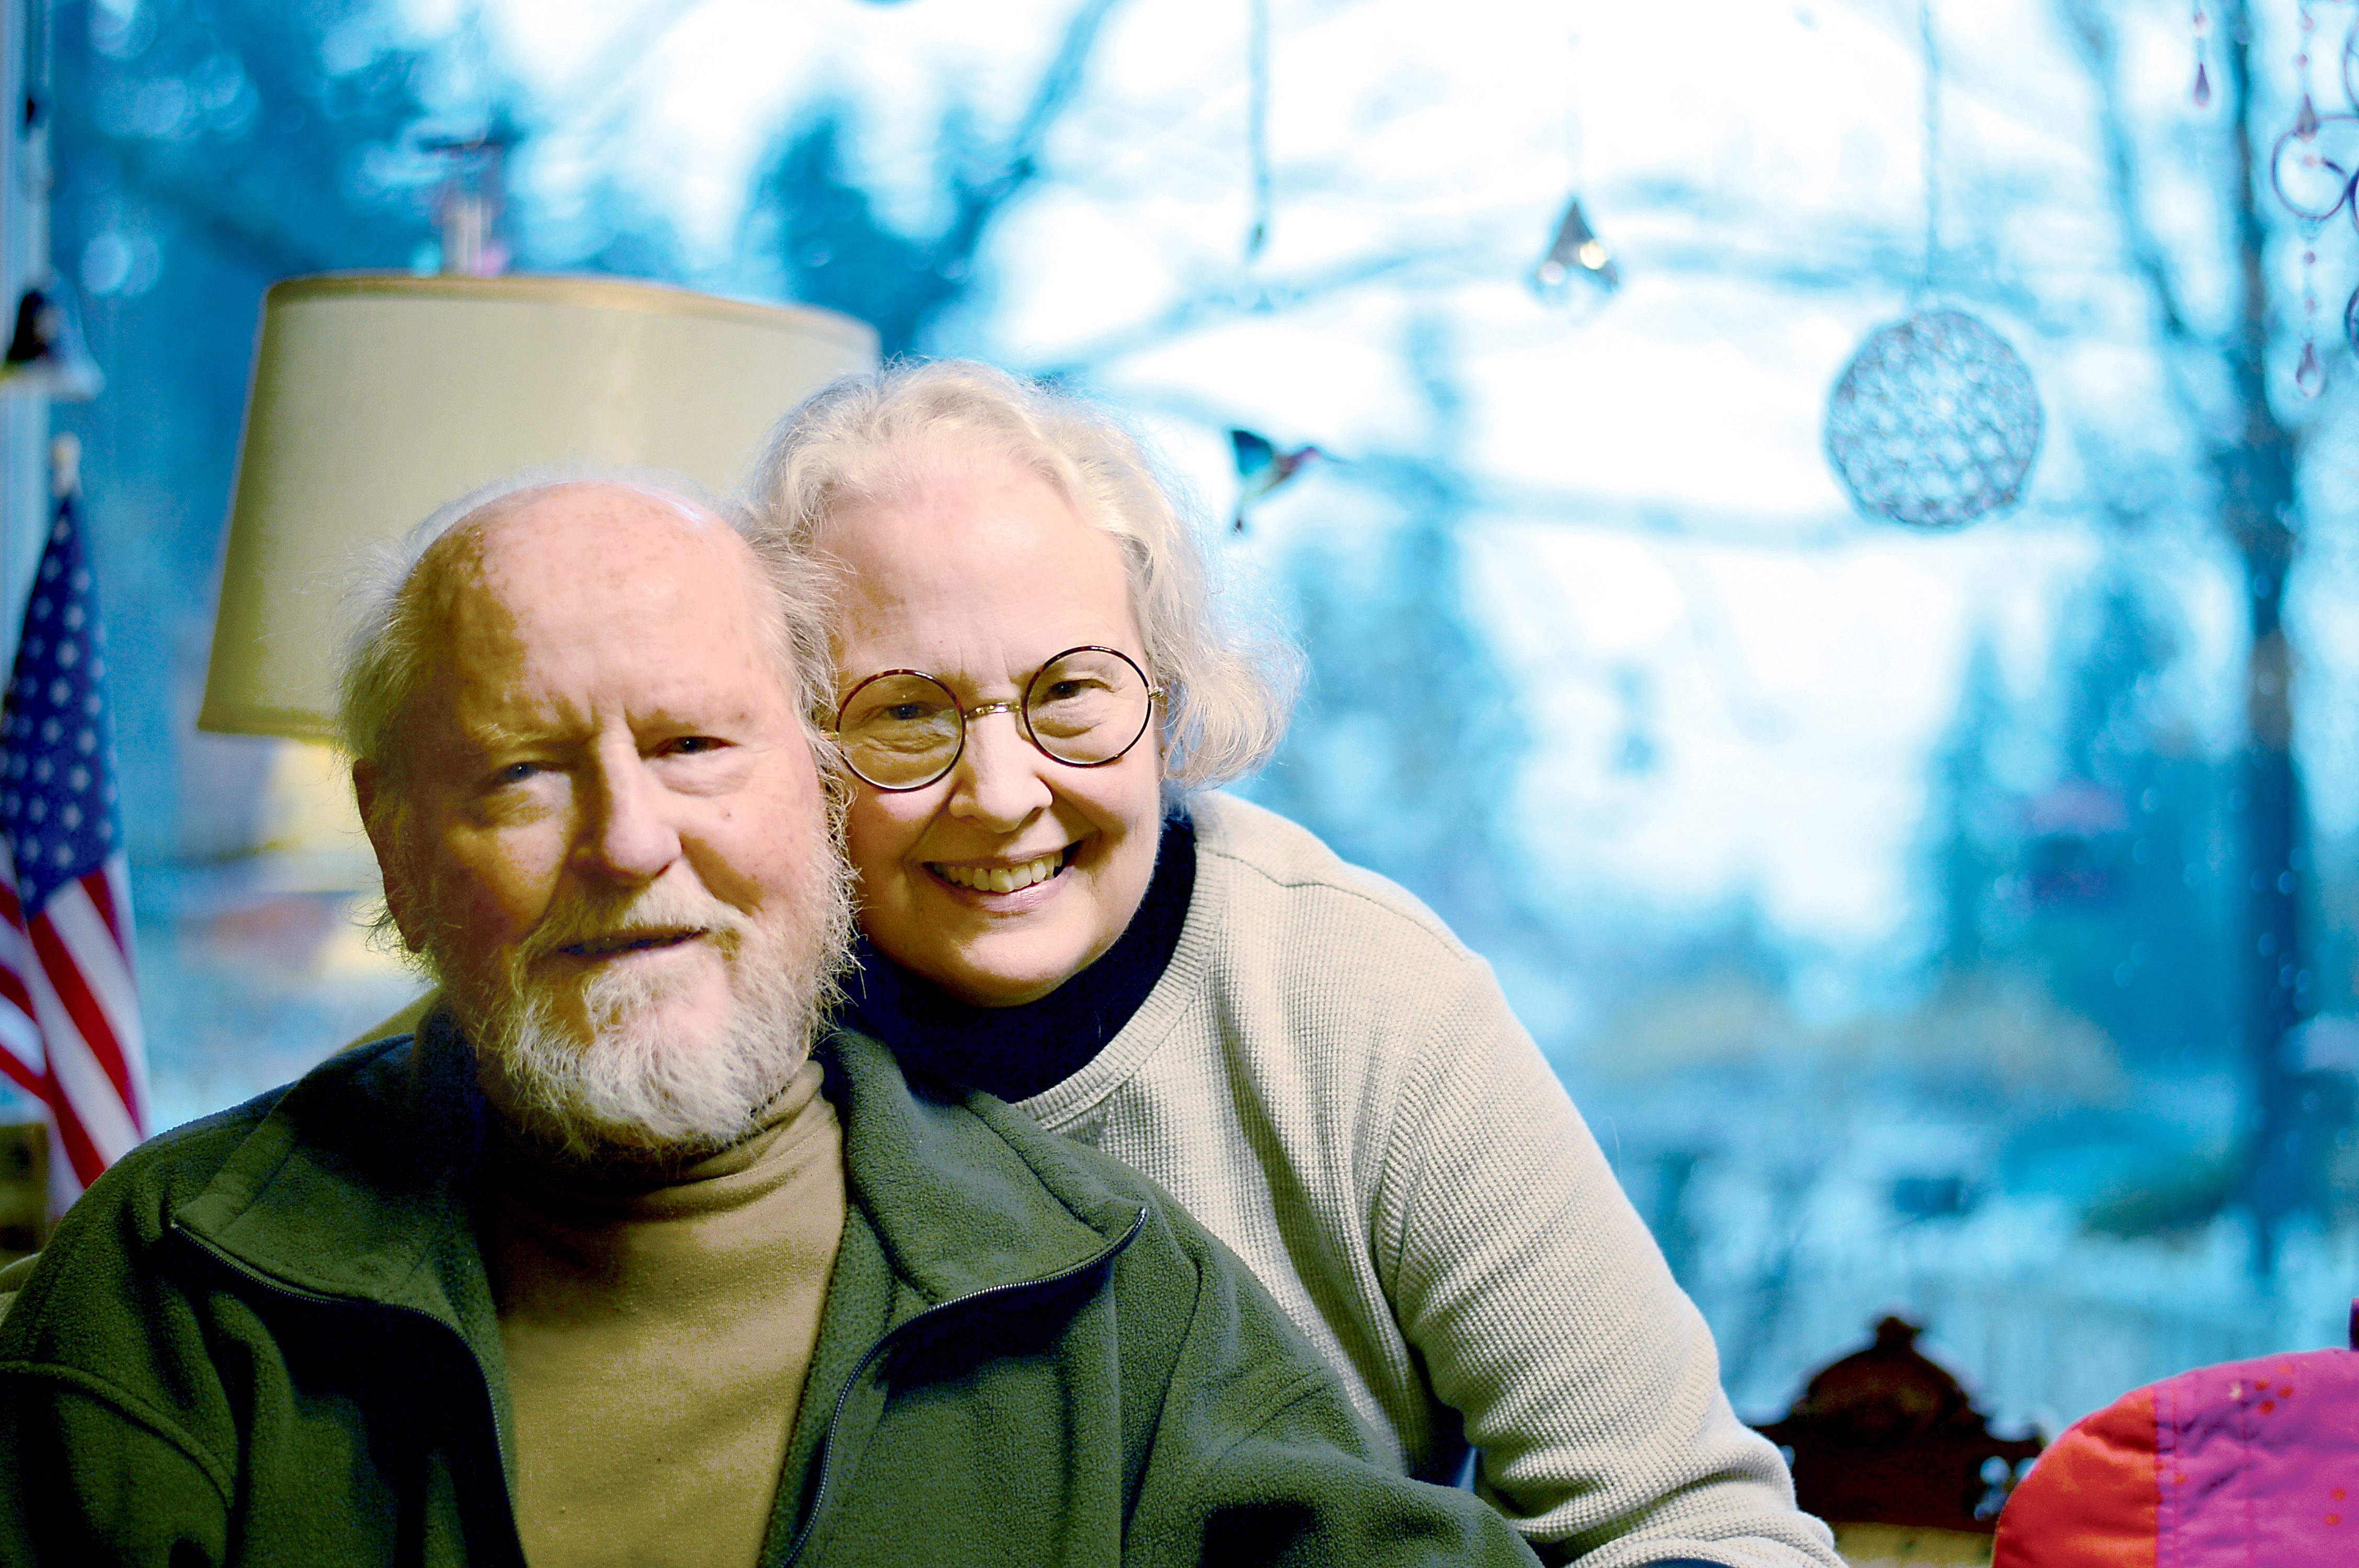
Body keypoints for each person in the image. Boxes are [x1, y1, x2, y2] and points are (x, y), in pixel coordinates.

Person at [0, 477, 1549, 1567]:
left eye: (693, 746)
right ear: (398, 847)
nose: (628, 843)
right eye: (525, 772)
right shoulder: (172, 1290)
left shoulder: (1120, 1303)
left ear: (819, 799)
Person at [745, 361, 1845, 1568]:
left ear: (1171, 706)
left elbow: (1703, 1523)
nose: (1004, 795)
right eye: (906, 713)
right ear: (796, 747)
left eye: (1071, 693)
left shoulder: (1366, 998)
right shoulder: (735, 1035)